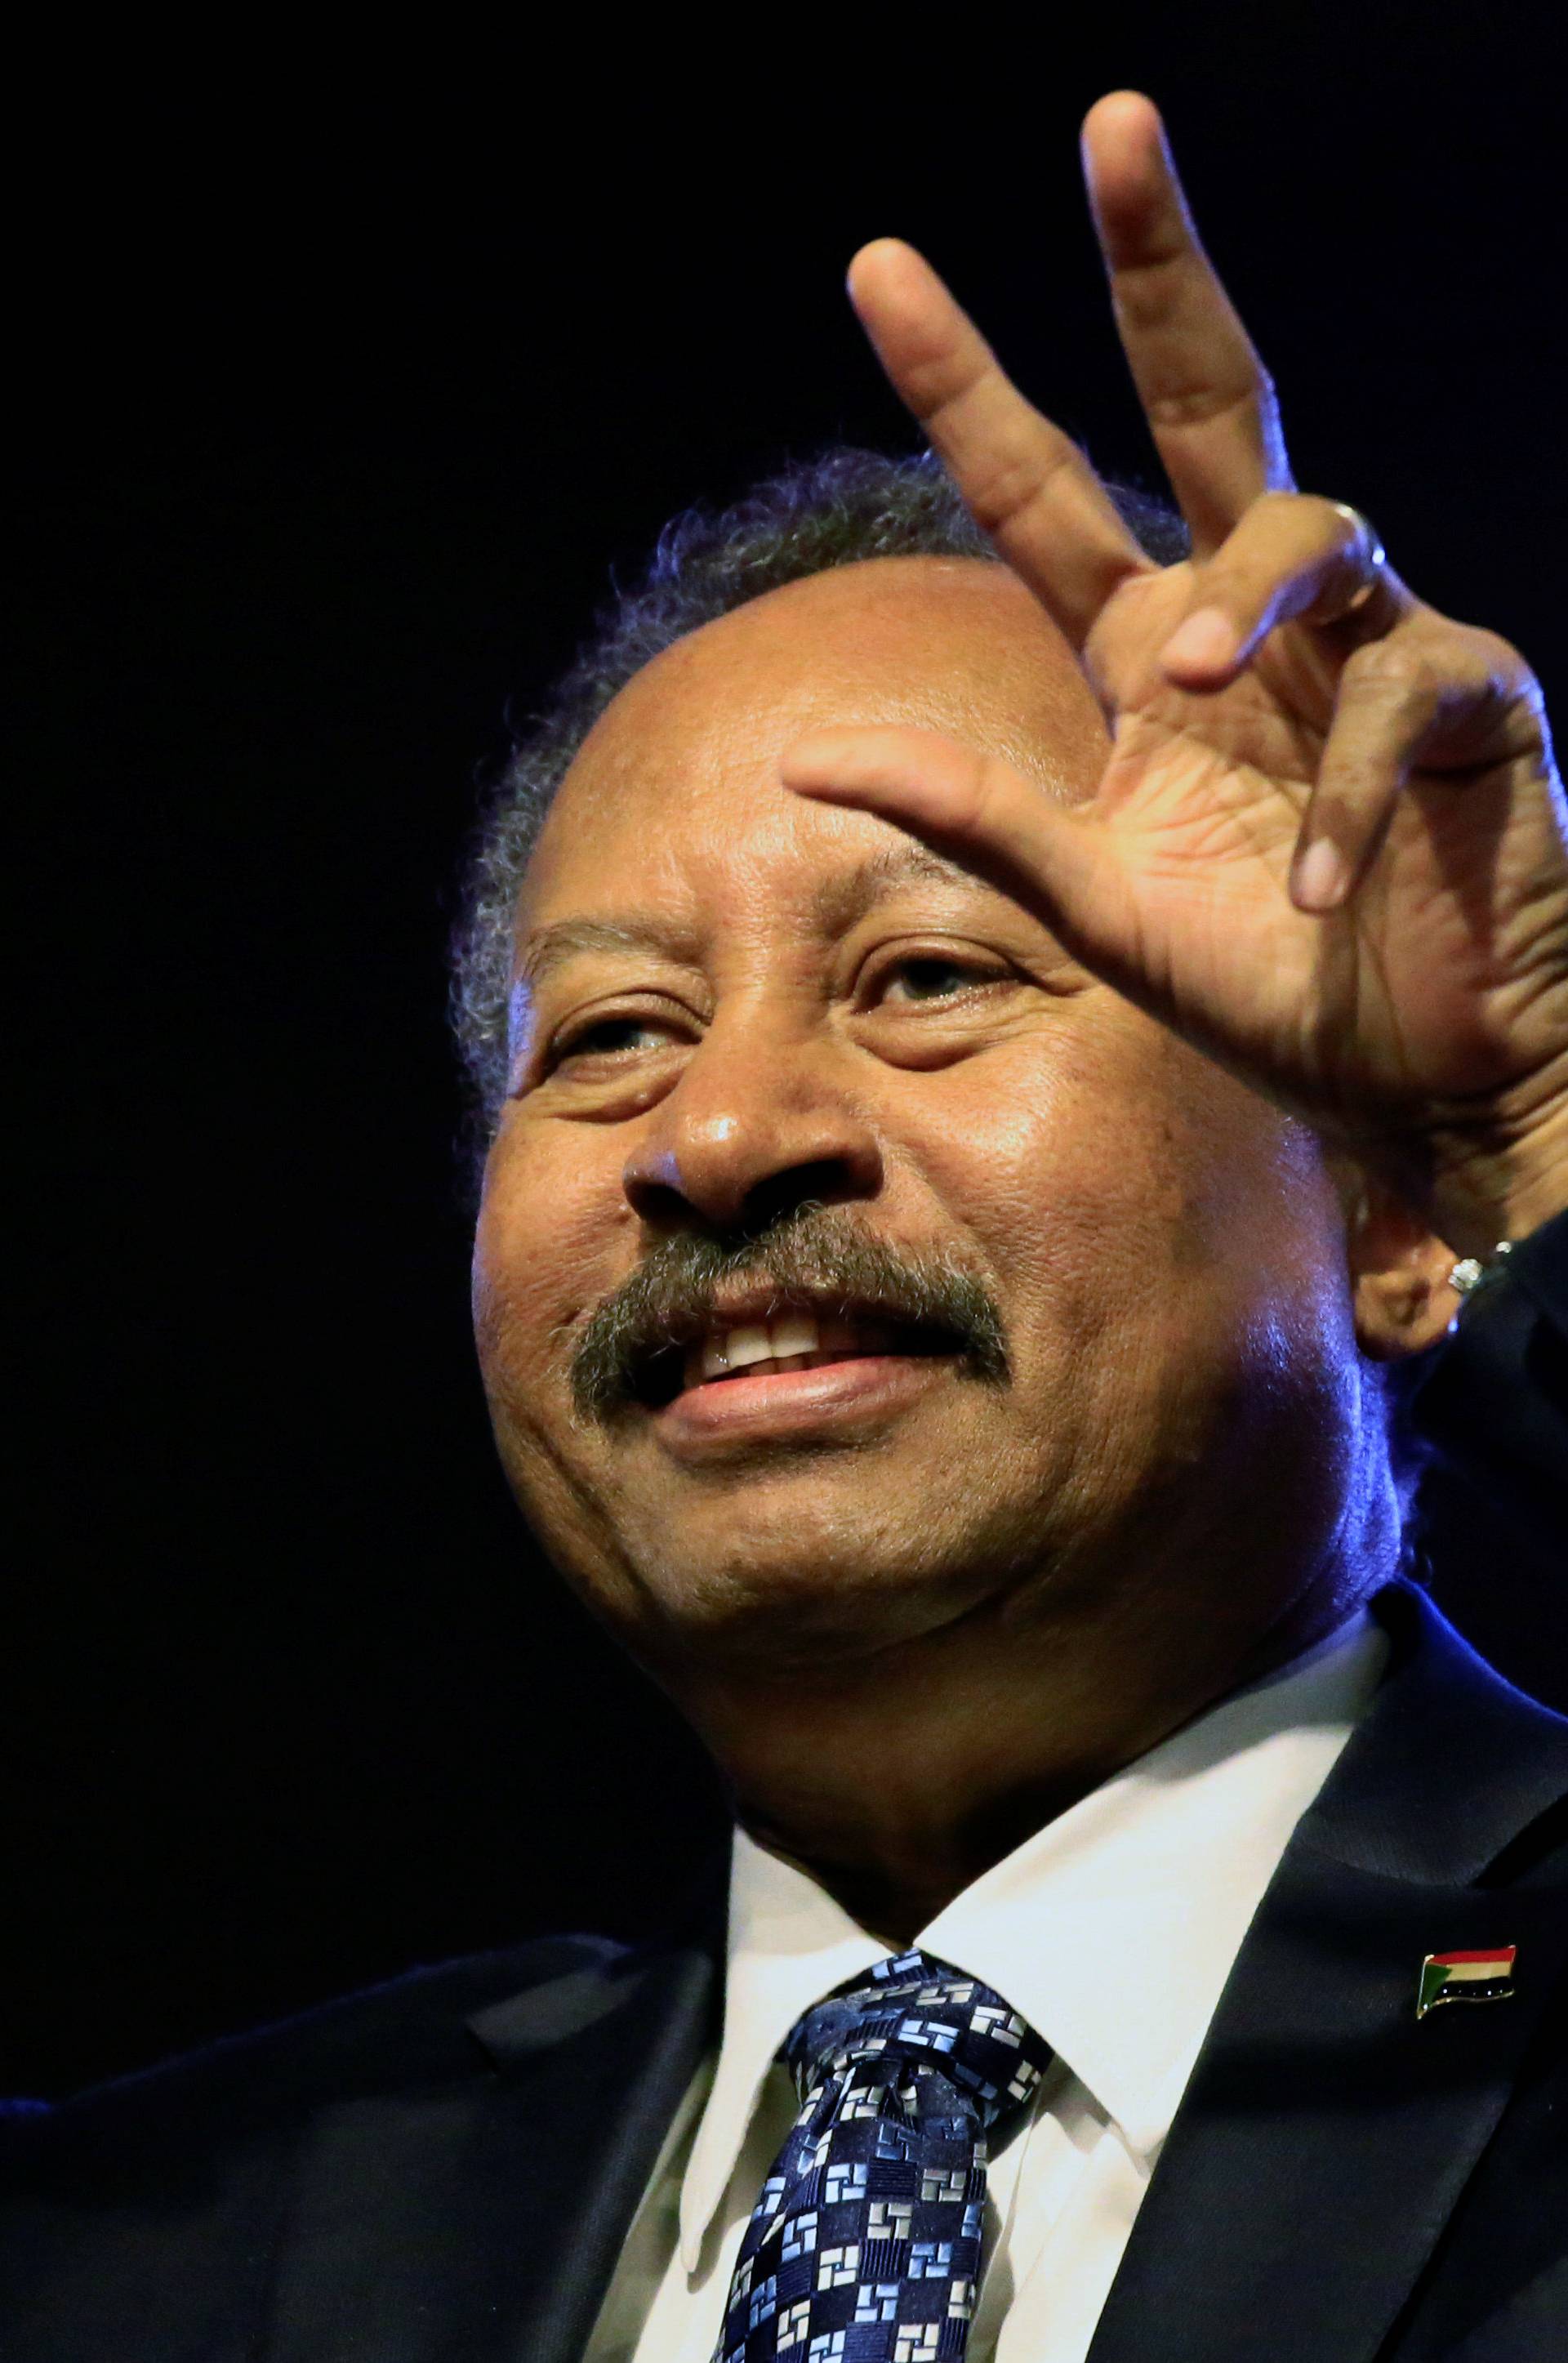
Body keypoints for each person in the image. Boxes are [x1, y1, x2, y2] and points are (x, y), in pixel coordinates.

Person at [3, 89, 1566, 2363]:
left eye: (929, 976)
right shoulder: (129, 2257)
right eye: (612, 1035)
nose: (720, 1133)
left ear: (1393, 1217)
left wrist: (1540, 1114)